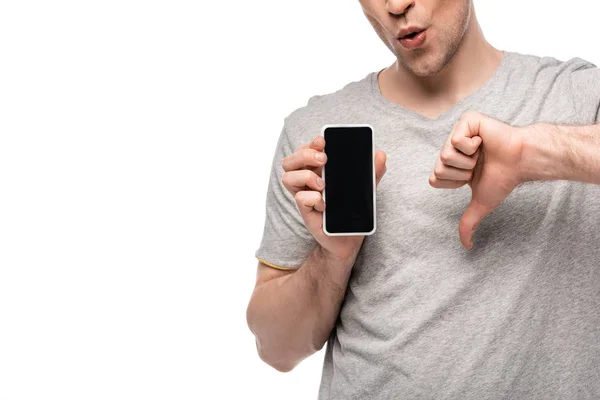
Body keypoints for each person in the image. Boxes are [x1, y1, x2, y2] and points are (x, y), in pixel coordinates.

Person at [246, 0, 600, 398]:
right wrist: (333, 258)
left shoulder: (579, 96)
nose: (396, 5)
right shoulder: (313, 135)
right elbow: (276, 350)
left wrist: (531, 152)